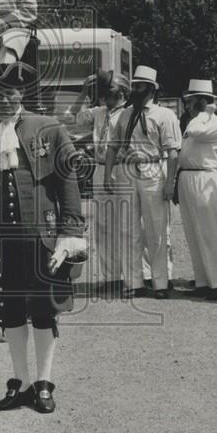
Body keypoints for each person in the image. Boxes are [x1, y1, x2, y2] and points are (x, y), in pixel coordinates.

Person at [0, 62, 86, 413]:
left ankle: (44, 384)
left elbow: (68, 184)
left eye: (10, 92)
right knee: (11, 312)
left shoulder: (49, 129)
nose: (3, 99)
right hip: (0, 245)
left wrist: (69, 233)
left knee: (44, 312)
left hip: (42, 241)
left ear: (22, 93)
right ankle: (21, 383)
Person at [104, 66, 181, 299]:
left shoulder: (164, 115)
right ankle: (134, 282)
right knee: (128, 229)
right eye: (132, 86)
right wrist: (108, 174)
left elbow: (173, 152)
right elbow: (112, 146)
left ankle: (160, 282)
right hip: (127, 170)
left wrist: (170, 183)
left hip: (153, 169)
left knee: (156, 229)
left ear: (150, 89)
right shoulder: (124, 115)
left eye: (138, 86)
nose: (133, 90)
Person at [69, 71, 131, 296]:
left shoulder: (128, 114)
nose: (106, 97)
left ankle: (133, 277)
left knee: (126, 225)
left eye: (111, 92)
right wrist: (84, 91)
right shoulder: (98, 113)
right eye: (103, 93)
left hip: (121, 169)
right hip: (100, 167)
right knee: (104, 226)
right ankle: (111, 277)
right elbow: (73, 116)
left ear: (123, 92)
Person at [174, 79, 217, 299]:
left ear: (202, 102)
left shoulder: (216, 123)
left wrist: (204, 113)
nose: (187, 106)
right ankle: (203, 281)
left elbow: (196, 132)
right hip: (188, 175)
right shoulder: (195, 121)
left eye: (191, 101)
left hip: (205, 176)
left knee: (209, 231)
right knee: (193, 232)